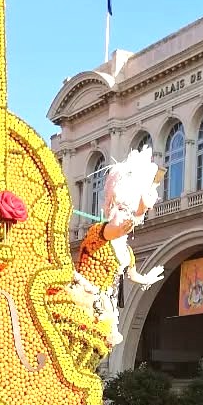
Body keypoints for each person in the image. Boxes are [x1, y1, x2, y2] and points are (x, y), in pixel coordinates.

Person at [67, 146, 165, 347]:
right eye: (121, 208)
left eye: (126, 209)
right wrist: (140, 208)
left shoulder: (126, 251)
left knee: (98, 347)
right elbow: (118, 228)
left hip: (105, 303)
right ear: (111, 205)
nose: (124, 214)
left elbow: (132, 274)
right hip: (85, 297)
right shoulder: (99, 232)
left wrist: (147, 278)